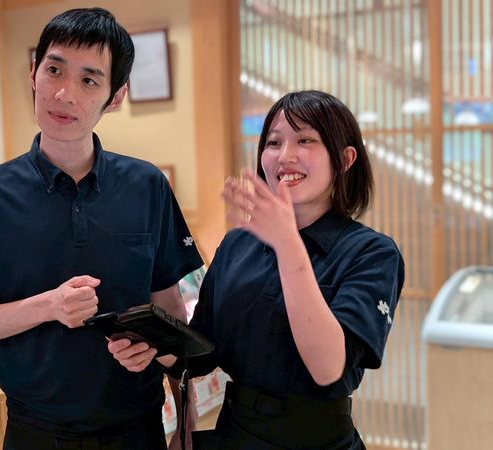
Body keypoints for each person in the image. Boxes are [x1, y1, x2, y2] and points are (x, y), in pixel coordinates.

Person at [0, 7, 203, 450]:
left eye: (89, 80)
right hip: (35, 433)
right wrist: (48, 306)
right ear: (33, 73)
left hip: (138, 430)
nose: (64, 93)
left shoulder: (147, 185)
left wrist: (183, 407)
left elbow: (168, 309)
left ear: (115, 96)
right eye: (54, 70)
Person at [109, 90, 405, 449]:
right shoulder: (238, 244)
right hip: (235, 434)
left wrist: (288, 244)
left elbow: (327, 368)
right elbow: (201, 353)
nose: (285, 156)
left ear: (345, 159)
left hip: (318, 439)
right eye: (274, 142)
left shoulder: (372, 253)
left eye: (305, 140)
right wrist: (151, 345)